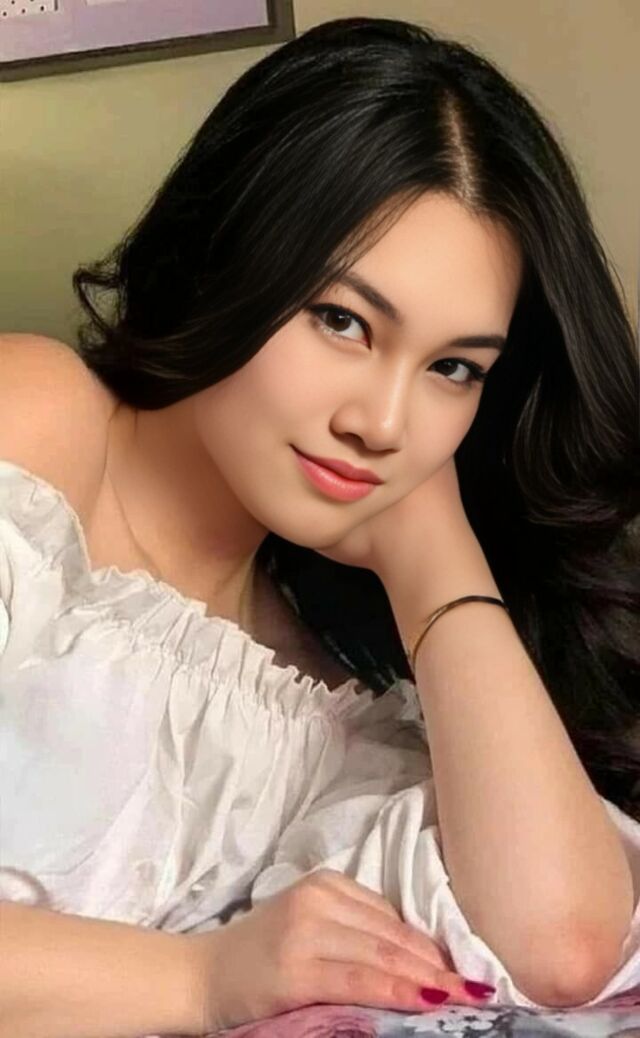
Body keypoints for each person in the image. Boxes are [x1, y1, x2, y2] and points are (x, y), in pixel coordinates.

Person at [1, 14, 639, 1038]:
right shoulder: (35, 423)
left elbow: (560, 947)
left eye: (453, 368)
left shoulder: (332, 695)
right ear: (225, 256)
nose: (382, 423)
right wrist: (200, 982)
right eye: (342, 321)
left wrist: (438, 560)